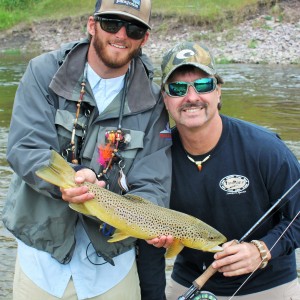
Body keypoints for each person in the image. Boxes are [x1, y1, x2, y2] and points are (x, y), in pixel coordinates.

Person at [2, 0, 172, 299]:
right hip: (42, 259)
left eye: (133, 28)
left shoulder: (153, 101)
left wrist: (151, 221)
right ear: (92, 24)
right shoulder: (44, 72)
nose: (121, 34)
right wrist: (68, 182)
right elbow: (25, 147)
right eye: (111, 24)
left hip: (111, 265)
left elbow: (153, 181)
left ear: (144, 38)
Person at [157, 41, 300, 299]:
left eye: (203, 85)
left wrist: (263, 249)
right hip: (187, 284)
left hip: (270, 286)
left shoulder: (266, 149)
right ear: (165, 99)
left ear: (218, 92)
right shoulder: (156, 154)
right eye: (178, 88)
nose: (191, 97)